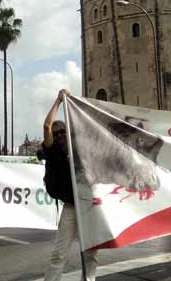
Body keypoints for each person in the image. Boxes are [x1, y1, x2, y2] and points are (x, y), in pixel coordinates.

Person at [39, 89, 98, 281]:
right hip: (71, 208)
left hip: (88, 205)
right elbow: (47, 126)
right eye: (56, 134)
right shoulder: (52, 150)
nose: (59, 135)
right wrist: (58, 101)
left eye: (63, 131)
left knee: (90, 252)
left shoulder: (78, 146)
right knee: (59, 253)